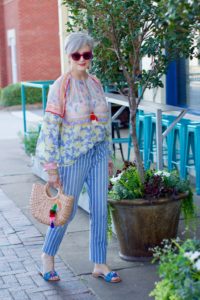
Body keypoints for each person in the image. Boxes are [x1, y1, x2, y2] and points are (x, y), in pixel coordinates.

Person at [36, 32, 121, 283]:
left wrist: (107, 157)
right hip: (71, 159)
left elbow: (103, 124)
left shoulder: (95, 83)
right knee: (65, 212)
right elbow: (50, 127)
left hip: (96, 155)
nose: (82, 59)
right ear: (69, 55)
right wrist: (51, 167)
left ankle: (99, 263)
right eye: (77, 55)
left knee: (99, 208)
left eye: (87, 54)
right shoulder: (60, 86)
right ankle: (47, 256)